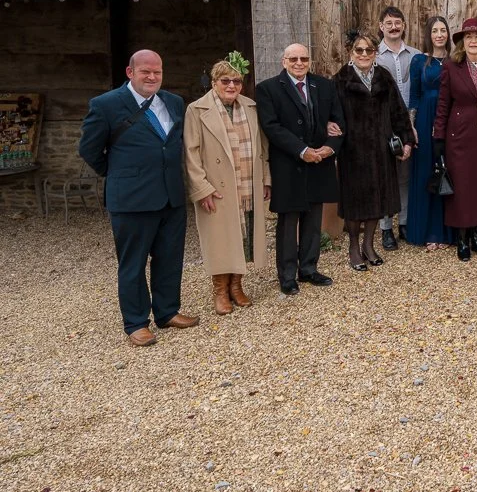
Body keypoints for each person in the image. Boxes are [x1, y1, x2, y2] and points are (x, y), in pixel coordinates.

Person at [78, 49, 197, 346]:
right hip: (131, 199)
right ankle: (135, 322)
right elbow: (89, 150)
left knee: (170, 258)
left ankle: (168, 311)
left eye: (157, 71)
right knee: (132, 263)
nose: (152, 77)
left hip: (171, 196)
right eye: (145, 71)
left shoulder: (173, 102)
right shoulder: (105, 105)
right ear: (130, 73)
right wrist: (121, 174)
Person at [183, 57, 271, 315]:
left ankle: (236, 285)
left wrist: (266, 179)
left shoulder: (251, 107)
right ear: (214, 82)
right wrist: (201, 188)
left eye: (237, 81)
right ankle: (220, 290)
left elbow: (263, 149)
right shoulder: (197, 110)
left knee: (243, 236)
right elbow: (191, 152)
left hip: (247, 183)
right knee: (220, 238)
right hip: (217, 186)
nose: (231, 85)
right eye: (226, 81)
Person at [256, 43, 344, 295]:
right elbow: (272, 127)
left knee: (313, 219)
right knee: (288, 221)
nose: (299, 63)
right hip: (289, 163)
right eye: (293, 58)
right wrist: (302, 151)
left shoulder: (324, 86)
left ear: (310, 61)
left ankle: (308, 269)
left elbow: (338, 122)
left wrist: (330, 148)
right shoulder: (268, 89)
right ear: (283, 61)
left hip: (319, 161)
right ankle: (286, 276)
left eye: (304, 58)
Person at [334, 31, 416, 271]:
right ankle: (353, 247)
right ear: (351, 53)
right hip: (353, 152)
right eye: (359, 50)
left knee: (377, 200)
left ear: (375, 53)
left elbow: (398, 110)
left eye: (369, 50)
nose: (364, 54)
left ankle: (369, 245)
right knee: (355, 202)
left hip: (381, 149)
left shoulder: (383, 76)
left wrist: (407, 140)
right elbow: (332, 114)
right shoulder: (341, 79)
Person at [433, 18, 477, 261]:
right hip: (459, 136)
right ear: (463, 43)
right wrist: (438, 136)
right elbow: (443, 104)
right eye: (469, 37)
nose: (473, 41)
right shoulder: (452, 68)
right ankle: (462, 239)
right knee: (463, 187)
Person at [406, 16, 455, 250]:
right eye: (435, 30)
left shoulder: (456, 60)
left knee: (448, 171)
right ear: (429, 34)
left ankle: (447, 232)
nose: (439, 34)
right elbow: (414, 95)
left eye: (443, 30)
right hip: (425, 120)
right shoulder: (419, 61)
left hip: (450, 121)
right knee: (427, 171)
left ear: (448, 34)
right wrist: (412, 126)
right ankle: (426, 231)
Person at [375, 6, 420, 250]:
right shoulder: (373, 56)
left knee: (405, 175)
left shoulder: (416, 56)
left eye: (398, 22)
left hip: (408, 124)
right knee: (385, 177)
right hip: (382, 125)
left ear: (404, 25)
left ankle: (403, 223)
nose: (394, 26)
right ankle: (385, 228)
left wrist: (412, 126)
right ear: (381, 26)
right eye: (389, 22)